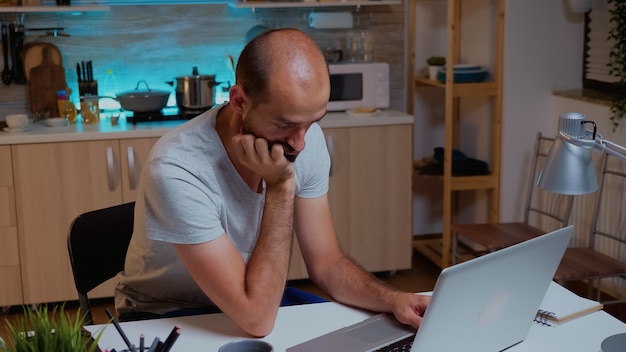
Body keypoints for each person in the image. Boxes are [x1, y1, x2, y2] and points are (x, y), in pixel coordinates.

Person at [115, 28, 430, 337]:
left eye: (312, 123)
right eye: (285, 124)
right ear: (239, 101)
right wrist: (280, 187)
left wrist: (393, 300)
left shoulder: (299, 138)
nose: (301, 143)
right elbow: (256, 320)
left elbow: (327, 263)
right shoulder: (177, 169)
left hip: (255, 299)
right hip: (164, 317)